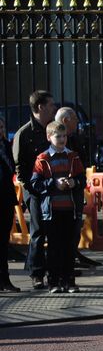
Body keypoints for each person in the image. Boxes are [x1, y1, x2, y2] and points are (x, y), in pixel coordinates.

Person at [29, 121, 86, 294]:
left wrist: (73, 182)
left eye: (64, 136)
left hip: (70, 208)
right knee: (54, 247)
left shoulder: (73, 157)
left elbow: (82, 179)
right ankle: (54, 281)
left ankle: (69, 281)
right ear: (49, 137)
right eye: (58, 136)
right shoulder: (43, 159)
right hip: (51, 211)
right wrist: (53, 183)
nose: (62, 139)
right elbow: (35, 183)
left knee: (70, 246)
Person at [12, 90, 57, 290]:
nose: (54, 108)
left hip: (55, 188)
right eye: (51, 105)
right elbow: (19, 167)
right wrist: (30, 190)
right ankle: (37, 273)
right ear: (40, 107)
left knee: (55, 231)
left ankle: (55, 272)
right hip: (36, 190)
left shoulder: (54, 130)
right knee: (38, 231)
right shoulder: (24, 133)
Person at [54, 106, 100, 268]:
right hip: (61, 194)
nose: (78, 122)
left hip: (76, 188)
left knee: (75, 226)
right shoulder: (56, 142)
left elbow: (81, 162)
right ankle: (64, 262)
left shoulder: (73, 139)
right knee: (63, 229)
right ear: (66, 120)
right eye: (74, 118)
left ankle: (72, 256)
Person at [0, 118, 20, 292]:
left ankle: (5, 280)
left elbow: (11, 167)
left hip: (5, 197)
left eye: (2, 127)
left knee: (3, 242)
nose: (1, 130)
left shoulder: (5, 145)